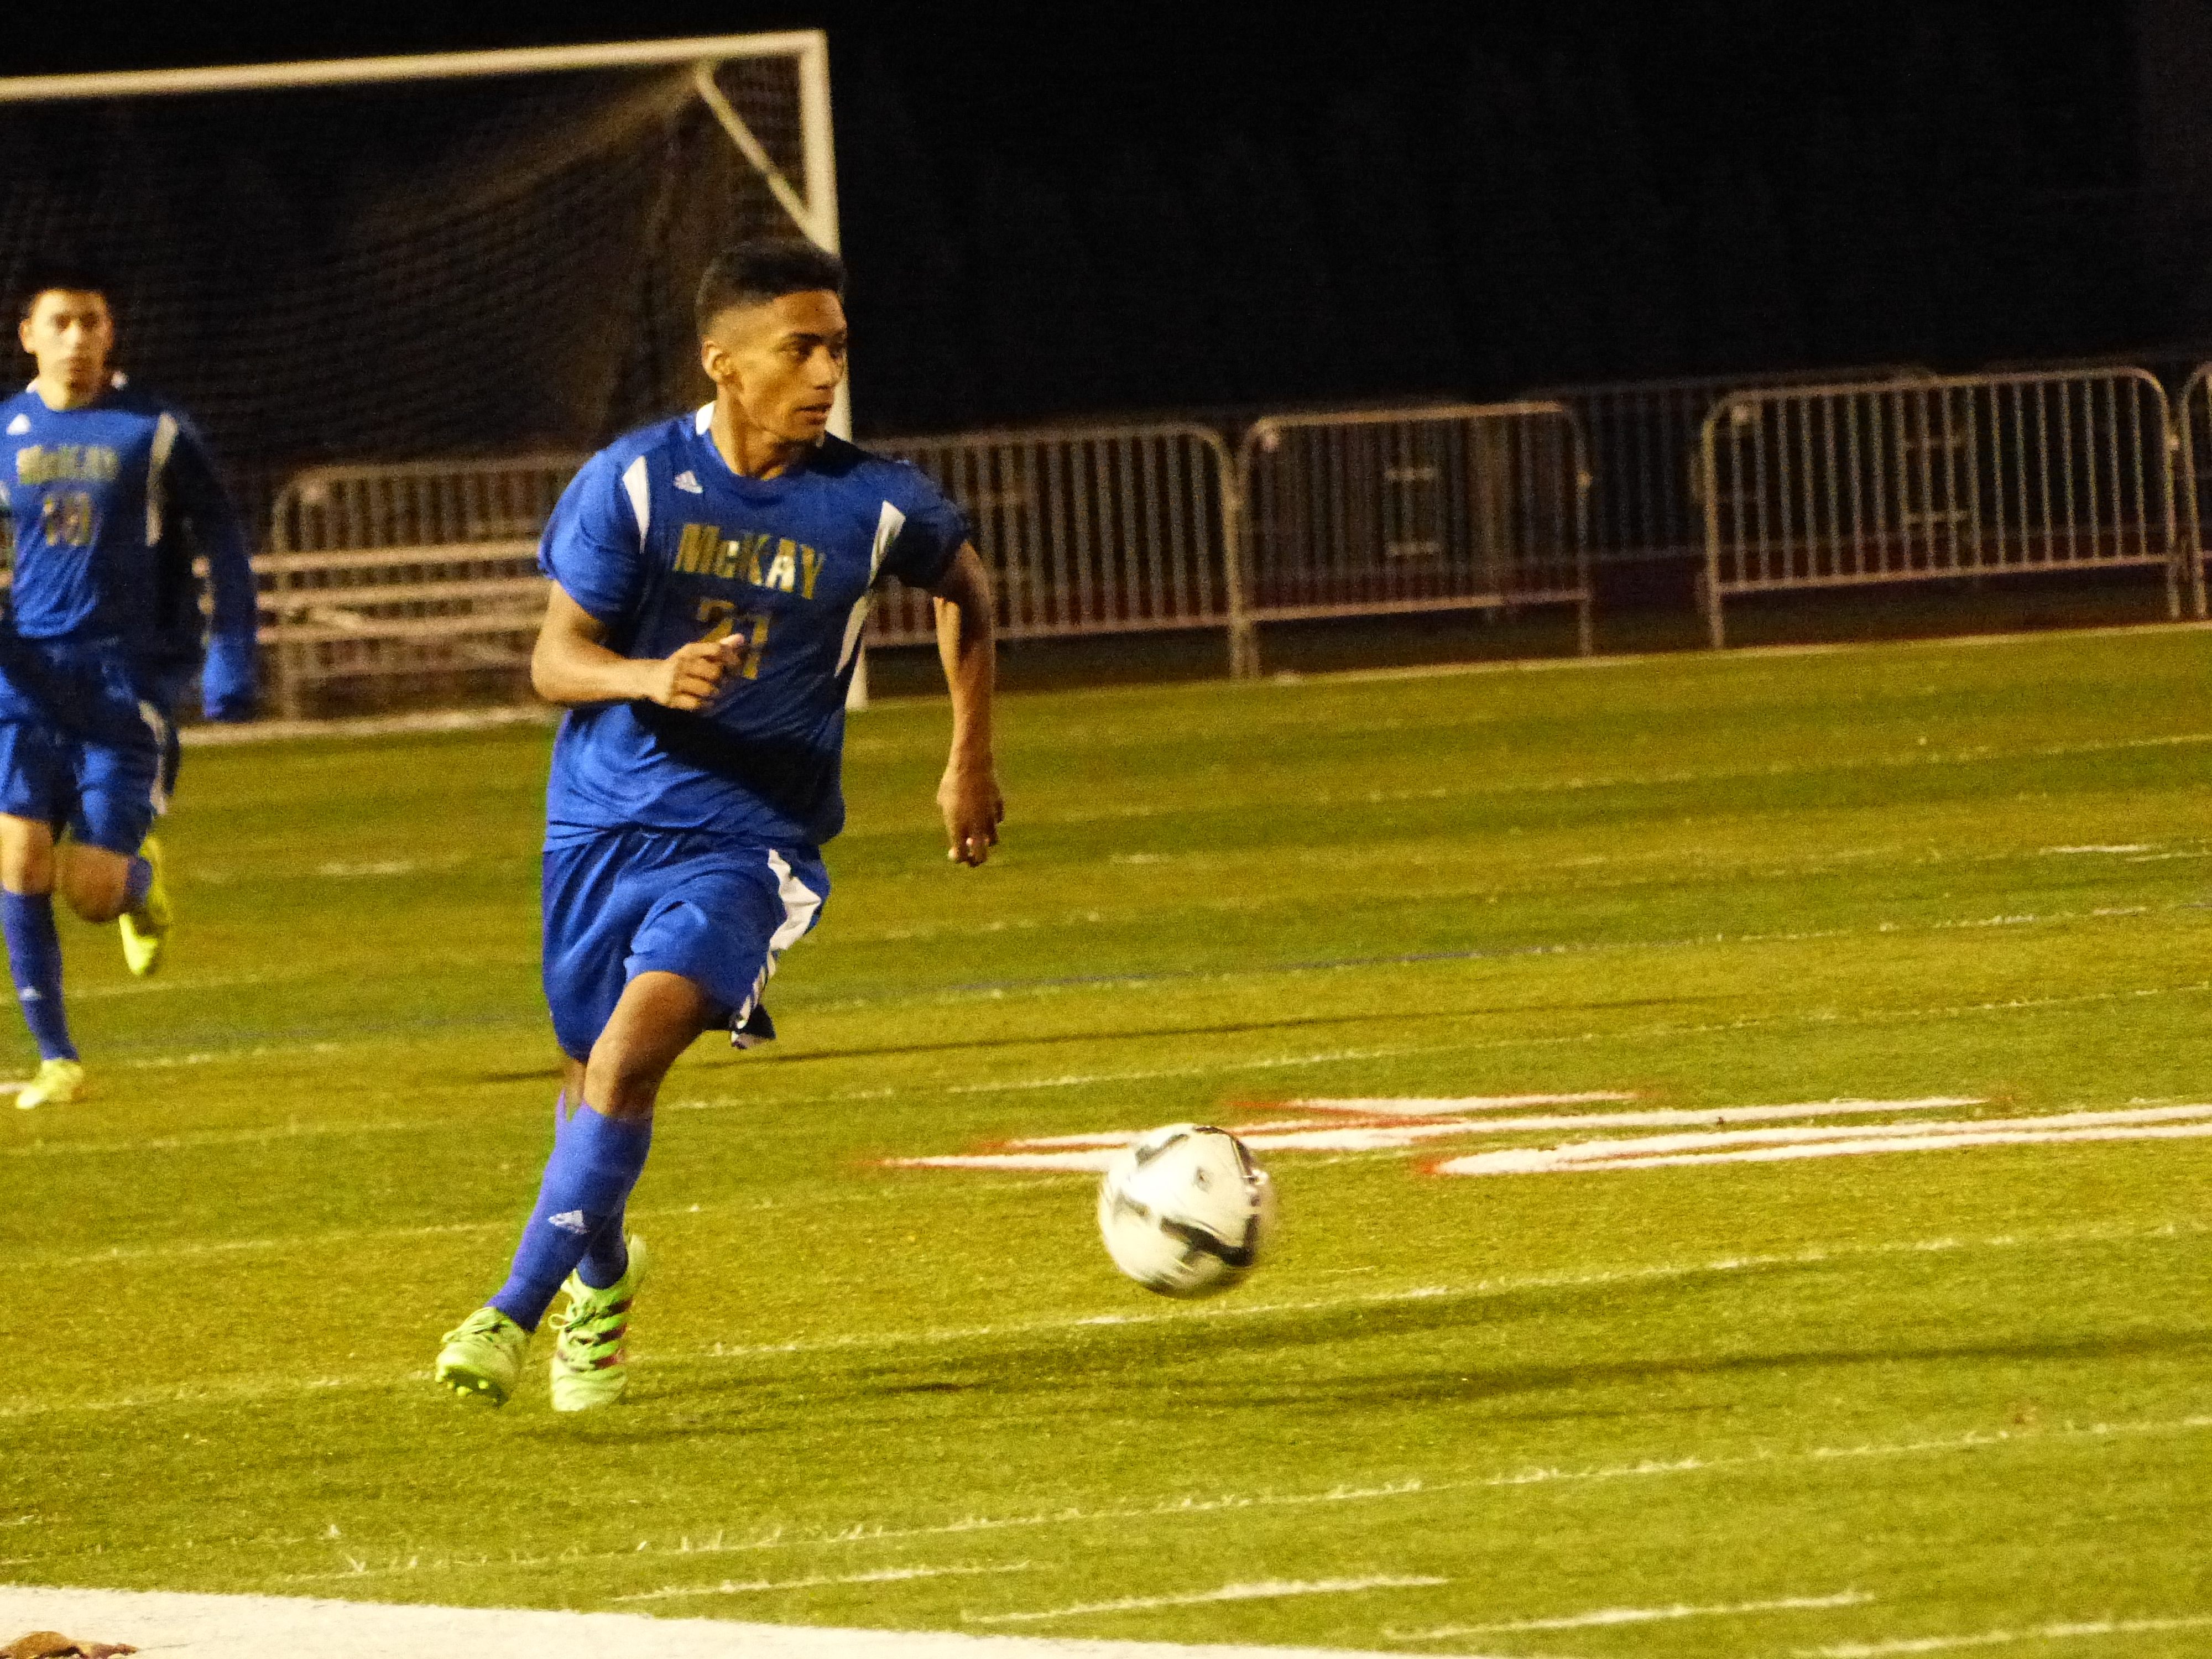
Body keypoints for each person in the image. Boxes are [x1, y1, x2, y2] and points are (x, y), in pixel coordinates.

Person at [435, 239, 1002, 1412]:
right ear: (723, 362)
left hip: (752, 841)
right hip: (599, 825)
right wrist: (647, 677)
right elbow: (554, 659)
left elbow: (969, 592)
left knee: (630, 1055)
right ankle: (603, 1279)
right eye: (800, 350)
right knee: (590, 1081)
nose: (827, 373)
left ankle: (508, 1314)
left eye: (837, 349)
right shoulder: (636, 484)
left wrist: (969, 758)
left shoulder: (877, 501)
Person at [0, 263, 259, 1109]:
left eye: (92, 322)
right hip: (26, 677)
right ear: (28, 336)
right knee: (19, 857)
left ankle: (137, 883)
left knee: (89, 896)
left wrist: (231, 654)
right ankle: (58, 1059)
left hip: (122, 683)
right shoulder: (4, 432)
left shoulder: (154, 429)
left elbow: (223, 538)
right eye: (60, 322)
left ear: (111, 334)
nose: (76, 338)